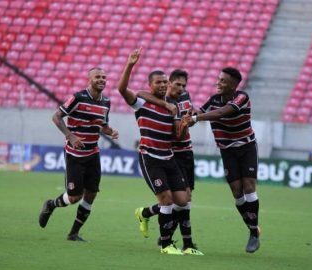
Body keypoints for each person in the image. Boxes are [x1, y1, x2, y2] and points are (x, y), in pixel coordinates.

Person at [117, 48, 202, 255]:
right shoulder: (142, 102)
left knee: (182, 201)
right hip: (150, 156)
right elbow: (123, 89)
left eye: (165, 82)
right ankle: (166, 244)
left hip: (169, 157)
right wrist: (130, 64)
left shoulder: (173, 106)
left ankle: (145, 214)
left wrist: (183, 125)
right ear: (150, 85)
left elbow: (178, 136)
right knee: (166, 200)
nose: (163, 85)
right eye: (159, 82)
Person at [185, 67, 261, 253]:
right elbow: (199, 111)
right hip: (227, 151)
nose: (218, 83)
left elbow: (220, 113)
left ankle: (253, 232)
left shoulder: (242, 97)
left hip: (247, 147)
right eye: (218, 79)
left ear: (234, 85)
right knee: (237, 193)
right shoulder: (213, 100)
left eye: (223, 81)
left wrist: (196, 117)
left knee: (249, 186)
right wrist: (185, 109)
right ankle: (252, 227)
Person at [38, 67, 119, 241]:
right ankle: (51, 205)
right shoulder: (78, 98)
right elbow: (56, 117)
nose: (102, 80)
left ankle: (73, 233)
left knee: (91, 194)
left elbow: (102, 125)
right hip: (74, 154)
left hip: (93, 153)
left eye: (104, 77)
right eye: (98, 77)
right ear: (89, 79)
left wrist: (109, 131)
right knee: (75, 197)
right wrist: (70, 135)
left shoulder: (106, 102)